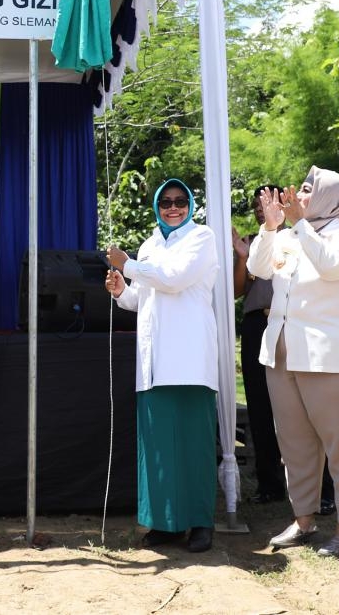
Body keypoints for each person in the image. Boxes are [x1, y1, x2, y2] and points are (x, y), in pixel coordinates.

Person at [248, 167, 339, 558]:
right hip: (284, 352)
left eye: (308, 189)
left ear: (331, 197)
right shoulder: (288, 234)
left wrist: (301, 225)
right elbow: (257, 268)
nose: (298, 195)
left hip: (337, 356)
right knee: (295, 443)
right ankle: (303, 519)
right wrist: (270, 228)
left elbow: (331, 265)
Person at [105, 178, 220, 554]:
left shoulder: (202, 237)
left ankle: (201, 522)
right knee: (158, 447)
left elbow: (174, 280)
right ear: (157, 206)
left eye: (180, 201)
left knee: (194, 445)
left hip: (189, 358)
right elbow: (145, 298)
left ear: (190, 204)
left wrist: (130, 264)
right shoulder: (151, 243)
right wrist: (122, 290)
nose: (173, 207)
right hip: (154, 362)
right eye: (167, 202)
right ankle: (166, 524)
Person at [233, 185, 286, 504]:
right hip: (256, 324)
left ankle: (319, 488)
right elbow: (238, 290)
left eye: (265, 202)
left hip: (290, 323)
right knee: (259, 403)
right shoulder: (251, 244)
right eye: (255, 204)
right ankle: (269, 483)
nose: (259, 208)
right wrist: (242, 258)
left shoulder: (297, 237)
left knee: (300, 405)